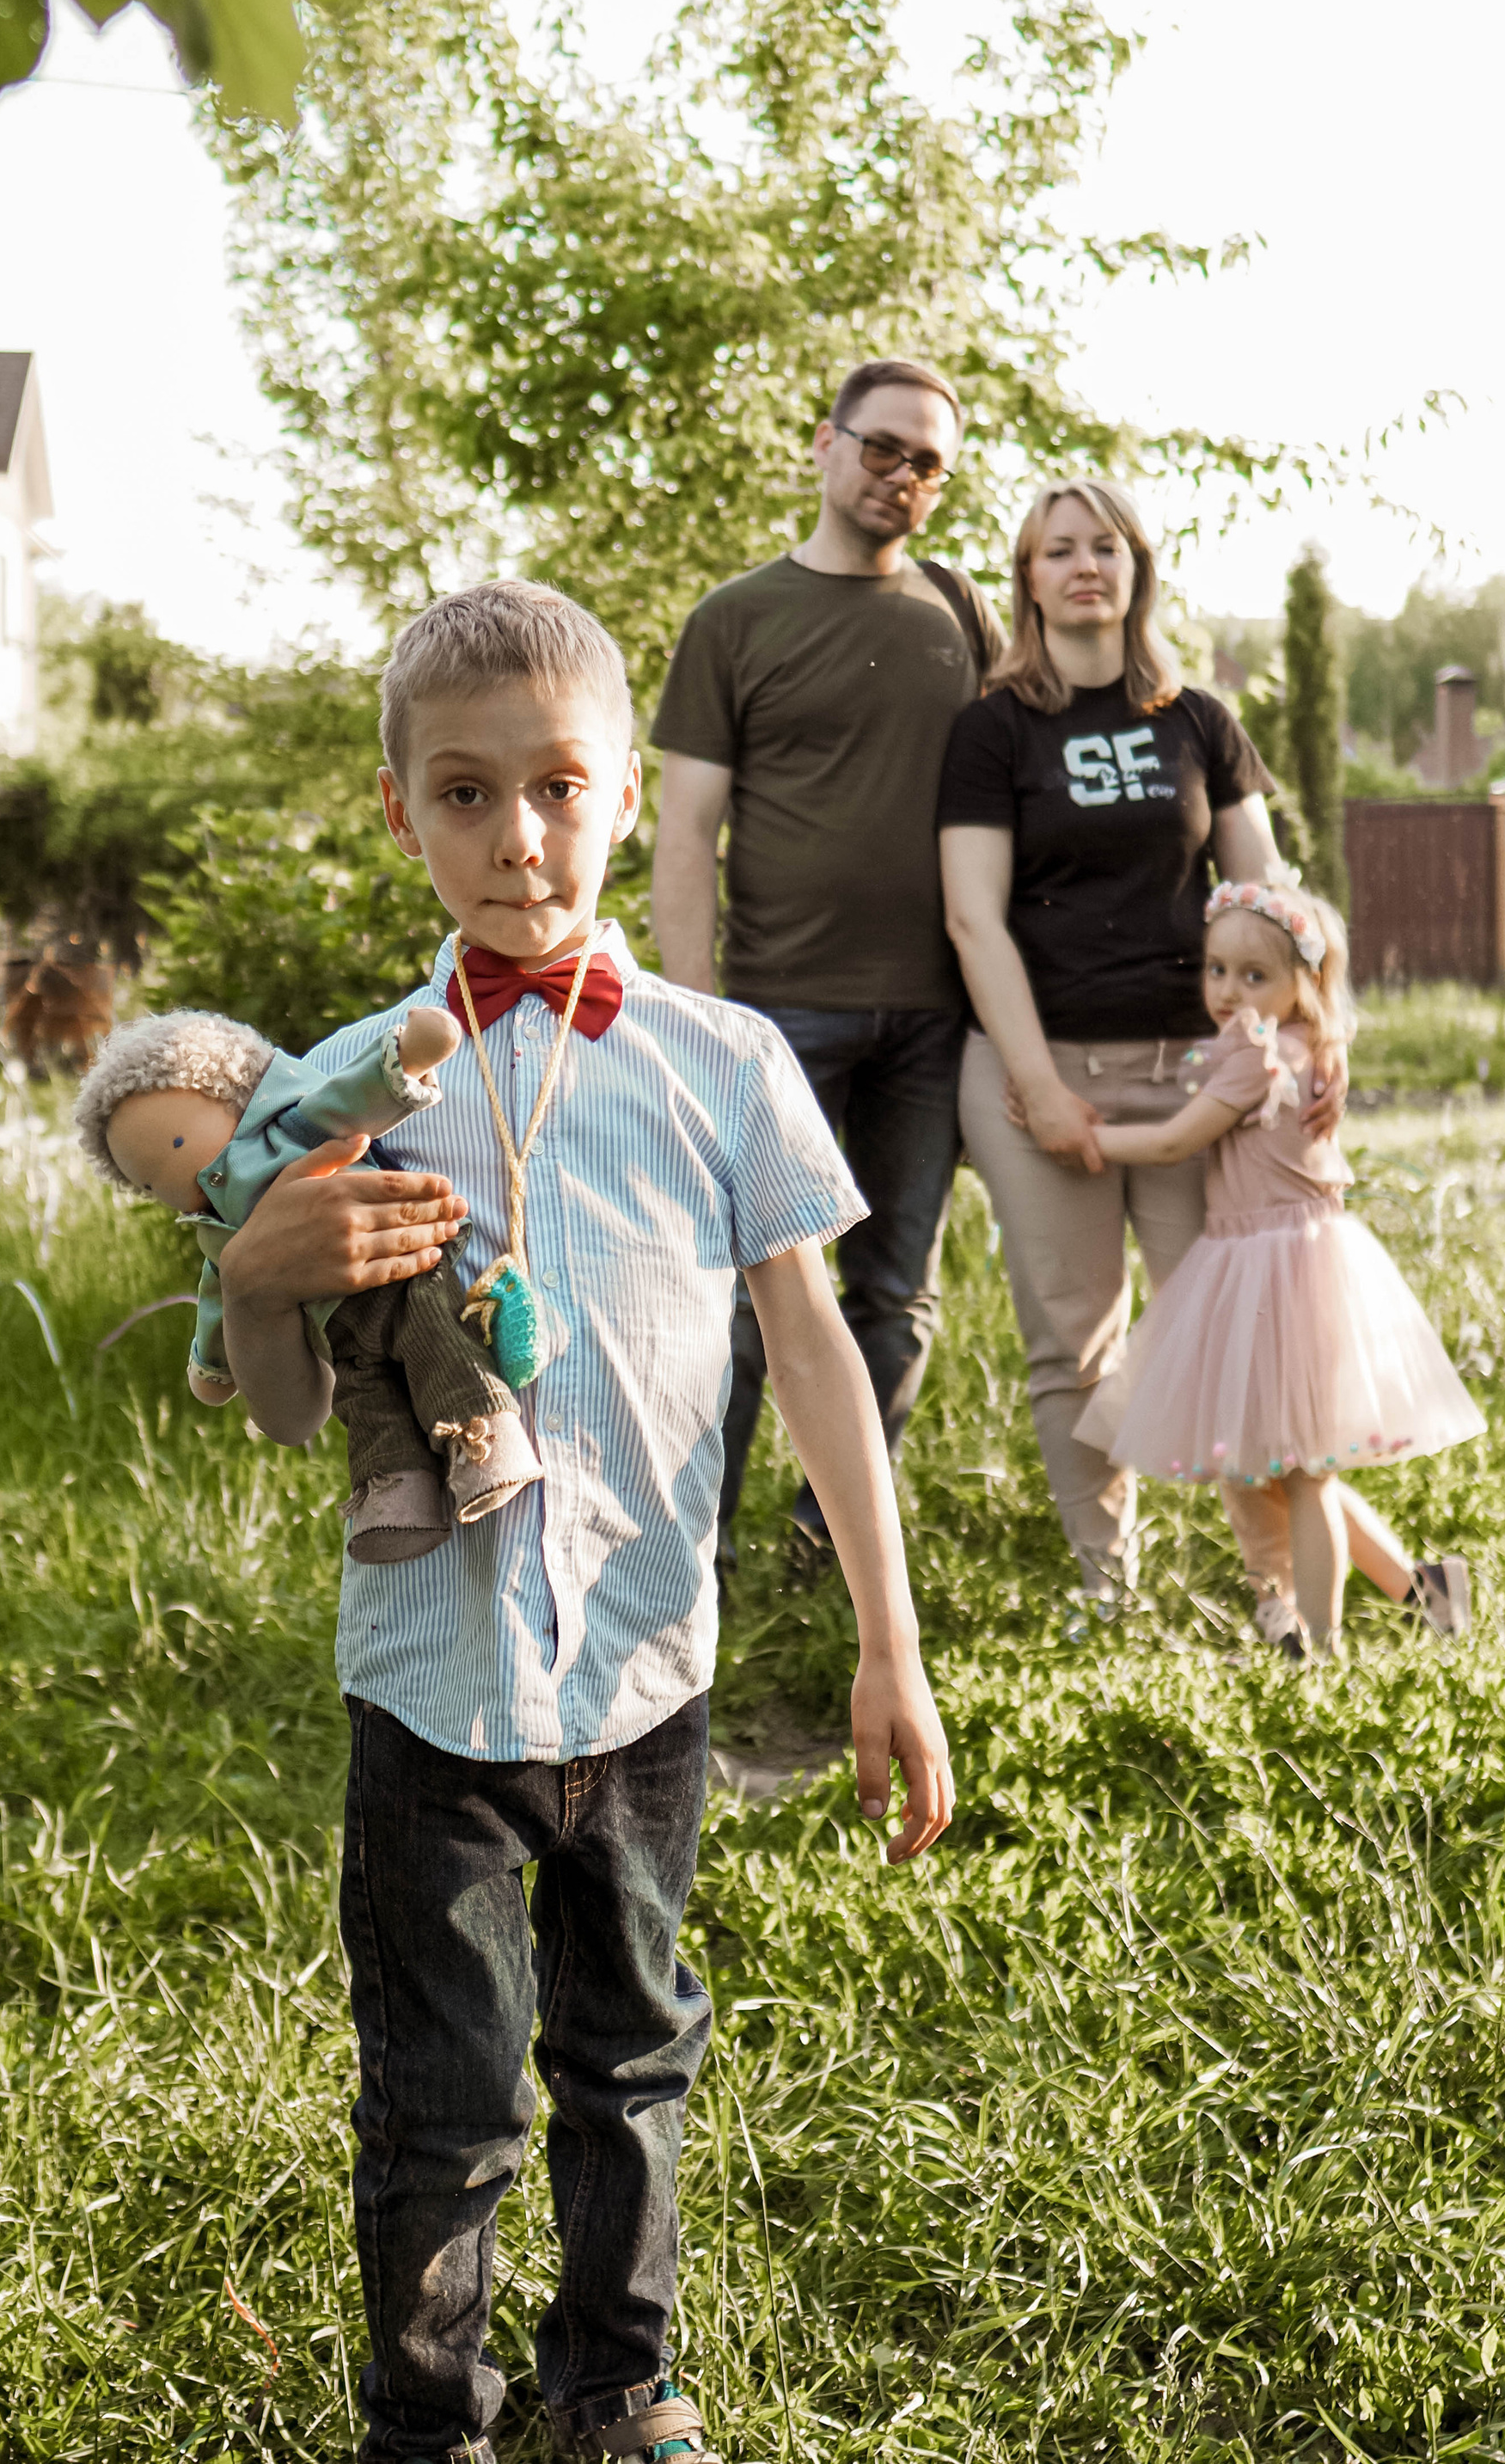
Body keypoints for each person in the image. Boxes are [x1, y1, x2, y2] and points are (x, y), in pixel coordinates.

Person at [217, 578, 955, 2464]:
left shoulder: (721, 1063)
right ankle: (428, 2413)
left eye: (556, 784)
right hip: (430, 1689)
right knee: (440, 2093)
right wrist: (251, 1272)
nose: (516, 835)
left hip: (643, 1672)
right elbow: (292, 1411)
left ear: (628, 790)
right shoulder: (348, 1092)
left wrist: (888, 1640)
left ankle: (616, 2380)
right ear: (400, 810)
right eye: (464, 794)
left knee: (629, 2056)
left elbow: (813, 1351)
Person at [939, 475, 1362, 1616]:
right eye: (1058, 548)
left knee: (1229, 1337)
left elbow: (1274, 902)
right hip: (1041, 1067)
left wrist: (1324, 1046)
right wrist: (1037, 1088)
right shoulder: (992, 730)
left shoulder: (1196, 720)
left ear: (1137, 570)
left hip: (1197, 1073)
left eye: (1106, 547)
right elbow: (973, 917)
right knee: (1070, 1342)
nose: (1084, 564)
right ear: (1026, 578)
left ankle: (1277, 1594)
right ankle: (1107, 1589)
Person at [652, 356, 1000, 1568]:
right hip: (774, 1021)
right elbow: (685, 833)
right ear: (824, 442)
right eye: (883, 447)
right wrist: (690, 1022)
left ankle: (826, 1543)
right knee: (753, 1303)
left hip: (932, 1021)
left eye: (928, 463)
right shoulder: (734, 620)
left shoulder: (959, 611)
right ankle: (702, 1545)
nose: (902, 475)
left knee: (894, 1296)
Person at [1074, 876, 1480, 1655]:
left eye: (1254, 976)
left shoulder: (1259, 1060)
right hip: (1289, 1263)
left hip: (1270, 1272)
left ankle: (1320, 1646)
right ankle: (1415, 1590)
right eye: (1217, 969)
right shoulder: (1306, 1048)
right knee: (1282, 1462)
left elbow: (1171, 1142)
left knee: (1296, 1470)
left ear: (1306, 982)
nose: (1229, 991)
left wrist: (1086, 1139)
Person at [71, 1005, 539, 1562]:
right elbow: (221, 1299)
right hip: (337, 1324)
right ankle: (395, 1491)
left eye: (171, 1152)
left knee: (432, 1338)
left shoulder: (288, 1127)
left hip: (405, 1267)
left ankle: (483, 1433)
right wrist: (215, 1361)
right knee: (364, 1392)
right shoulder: (219, 1238)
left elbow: (350, 1100)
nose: (168, 1188)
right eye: (147, 1184)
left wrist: (409, 1057)